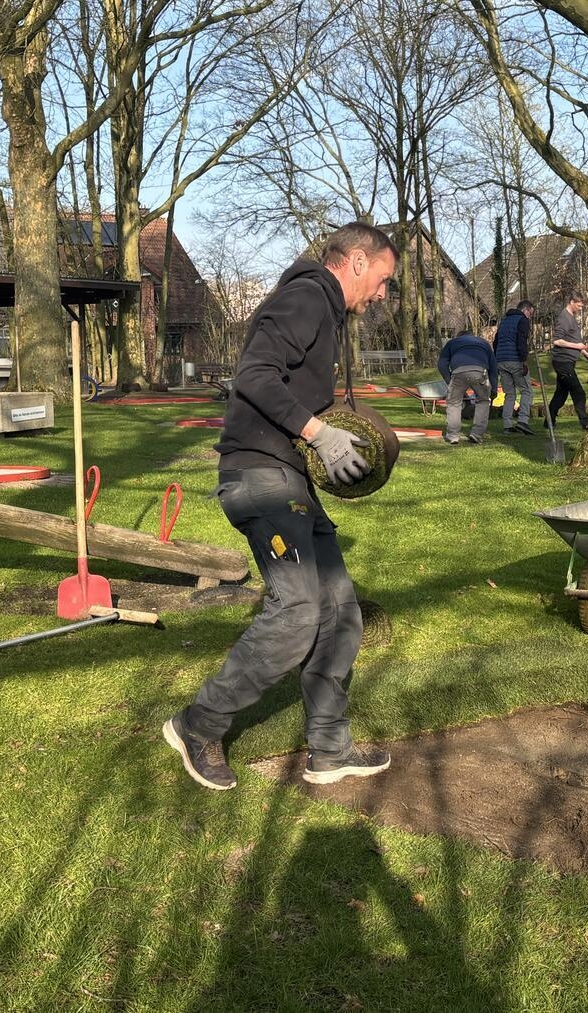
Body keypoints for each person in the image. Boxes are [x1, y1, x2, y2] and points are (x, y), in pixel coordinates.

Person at [163, 222, 399, 791]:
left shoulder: (325, 310)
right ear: (356, 262)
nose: (384, 294)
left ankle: (329, 748)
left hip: (291, 481)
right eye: (384, 280)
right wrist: (319, 432)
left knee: (340, 610)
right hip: (258, 475)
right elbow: (253, 376)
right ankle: (198, 725)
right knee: (296, 611)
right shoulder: (307, 296)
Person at [436, 326, 499, 445]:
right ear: (472, 335)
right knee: (483, 401)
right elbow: (493, 367)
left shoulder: (452, 342)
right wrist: (494, 388)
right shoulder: (484, 343)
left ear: (459, 336)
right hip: (480, 372)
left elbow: (442, 363)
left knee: (454, 403)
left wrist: (449, 380)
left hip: (458, 372)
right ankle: (477, 434)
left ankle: (453, 436)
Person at [548, 292, 588, 430]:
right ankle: (586, 422)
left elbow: (573, 339)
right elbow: (557, 340)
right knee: (578, 392)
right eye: (579, 306)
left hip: (568, 361)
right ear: (572, 302)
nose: (580, 308)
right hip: (562, 362)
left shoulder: (571, 317)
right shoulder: (564, 318)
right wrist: (577, 346)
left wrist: (583, 351)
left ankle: (549, 421)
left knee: (560, 394)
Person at [493, 300, 535, 436]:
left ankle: (507, 425)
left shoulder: (504, 321)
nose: (530, 317)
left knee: (509, 394)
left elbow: (496, 341)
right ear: (526, 310)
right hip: (515, 360)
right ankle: (523, 421)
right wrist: (524, 360)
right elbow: (521, 341)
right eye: (530, 313)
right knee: (527, 391)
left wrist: (497, 357)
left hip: (501, 360)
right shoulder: (522, 321)